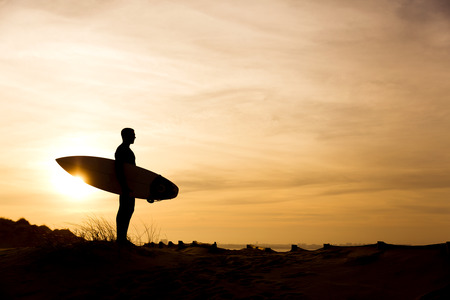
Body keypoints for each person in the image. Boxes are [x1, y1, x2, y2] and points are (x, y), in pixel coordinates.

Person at [115, 128, 136, 245]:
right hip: (125, 187)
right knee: (124, 210)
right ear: (126, 136)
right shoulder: (122, 150)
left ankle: (122, 238)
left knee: (128, 209)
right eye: (133, 135)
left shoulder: (127, 150)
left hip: (129, 187)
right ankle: (121, 239)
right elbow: (119, 170)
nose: (135, 137)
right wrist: (124, 186)